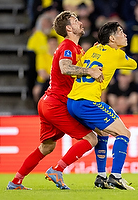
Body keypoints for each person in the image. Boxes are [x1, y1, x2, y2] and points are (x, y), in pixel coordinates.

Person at [7, 11, 103, 190]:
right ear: (68, 28)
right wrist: (90, 71)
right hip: (56, 103)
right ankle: (57, 170)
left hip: (48, 102)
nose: (81, 23)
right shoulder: (67, 46)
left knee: (47, 147)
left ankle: (15, 182)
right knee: (91, 138)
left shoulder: (77, 49)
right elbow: (65, 68)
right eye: (76, 21)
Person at [67, 22, 137, 190]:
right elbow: (133, 64)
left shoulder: (92, 50)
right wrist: (117, 52)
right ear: (112, 38)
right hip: (88, 102)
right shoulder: (116, 54)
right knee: (124, 133)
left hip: (72, 102)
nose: (125, 35)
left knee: (103, 133)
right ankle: (116, 176)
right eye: (121, 32)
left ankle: (101, 177)